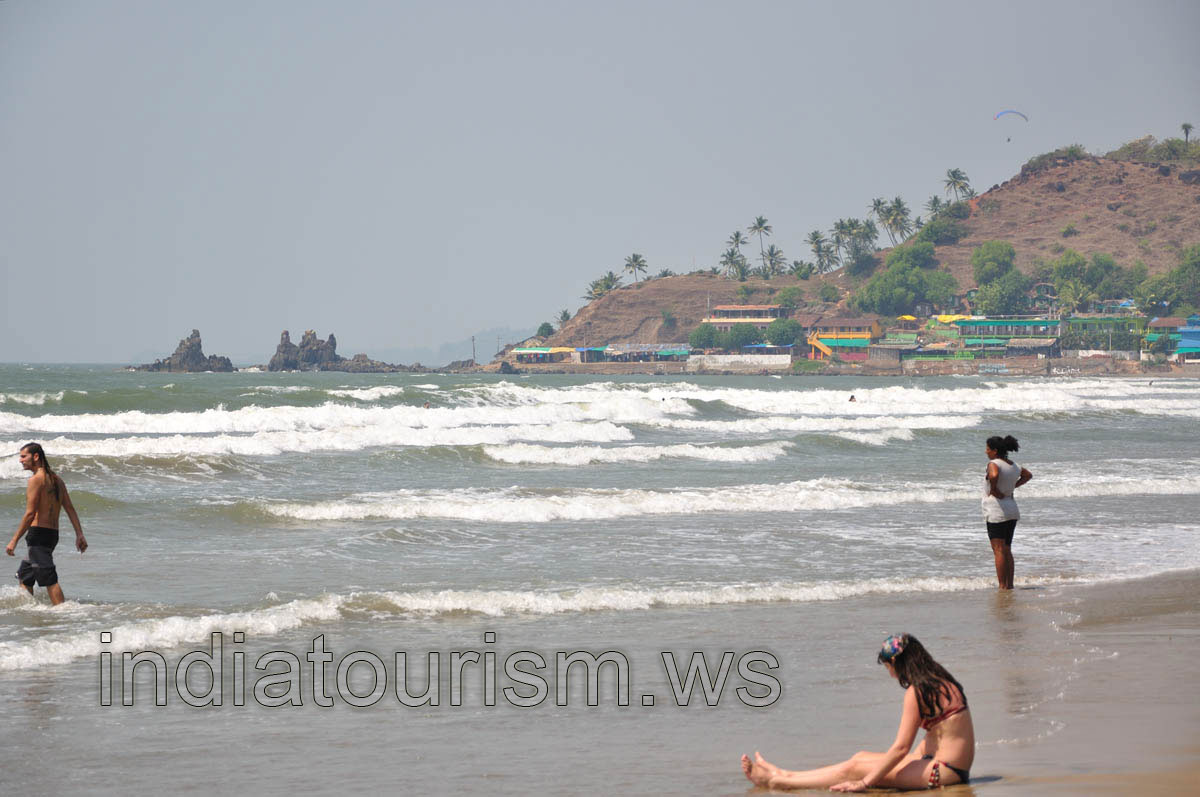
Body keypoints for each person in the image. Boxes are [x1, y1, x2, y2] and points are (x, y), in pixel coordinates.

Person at [740, 634, 974, 791]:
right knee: (859, 758)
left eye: (889, 667)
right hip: (943, 765)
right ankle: (784, 774)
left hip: (941, 773)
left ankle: (779, 782)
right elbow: (939, 734)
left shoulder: (916, 692)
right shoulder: (943, 681)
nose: (890, 674)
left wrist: (865, 782)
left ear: (898, 663)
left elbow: (901, 748)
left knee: (854, 770)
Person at [6, 443, 87, 605]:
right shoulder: (57, 480)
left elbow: (30, 514)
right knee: (25, 575)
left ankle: (63, 613)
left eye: (23, 456)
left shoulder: (35, 480)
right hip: (51, 535)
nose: (20, 460)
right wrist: (79, 534)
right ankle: (29, 609)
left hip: (38, 535)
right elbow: (70, 508)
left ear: (36, 457)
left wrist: (14, 540)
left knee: (48, 577)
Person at [983, 434, 1032, 590]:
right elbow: (1028, 475)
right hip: (1011, 509)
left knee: (998, 550)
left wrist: (995, 489)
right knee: (1007, 549)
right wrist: (1013, 487)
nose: (986, 452)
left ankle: (1002, 586)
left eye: (988, 449)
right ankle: (1009, 585)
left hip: (997, 510)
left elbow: (994, 474)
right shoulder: (1014, 465)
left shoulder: (993, 463)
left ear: (995, 451)